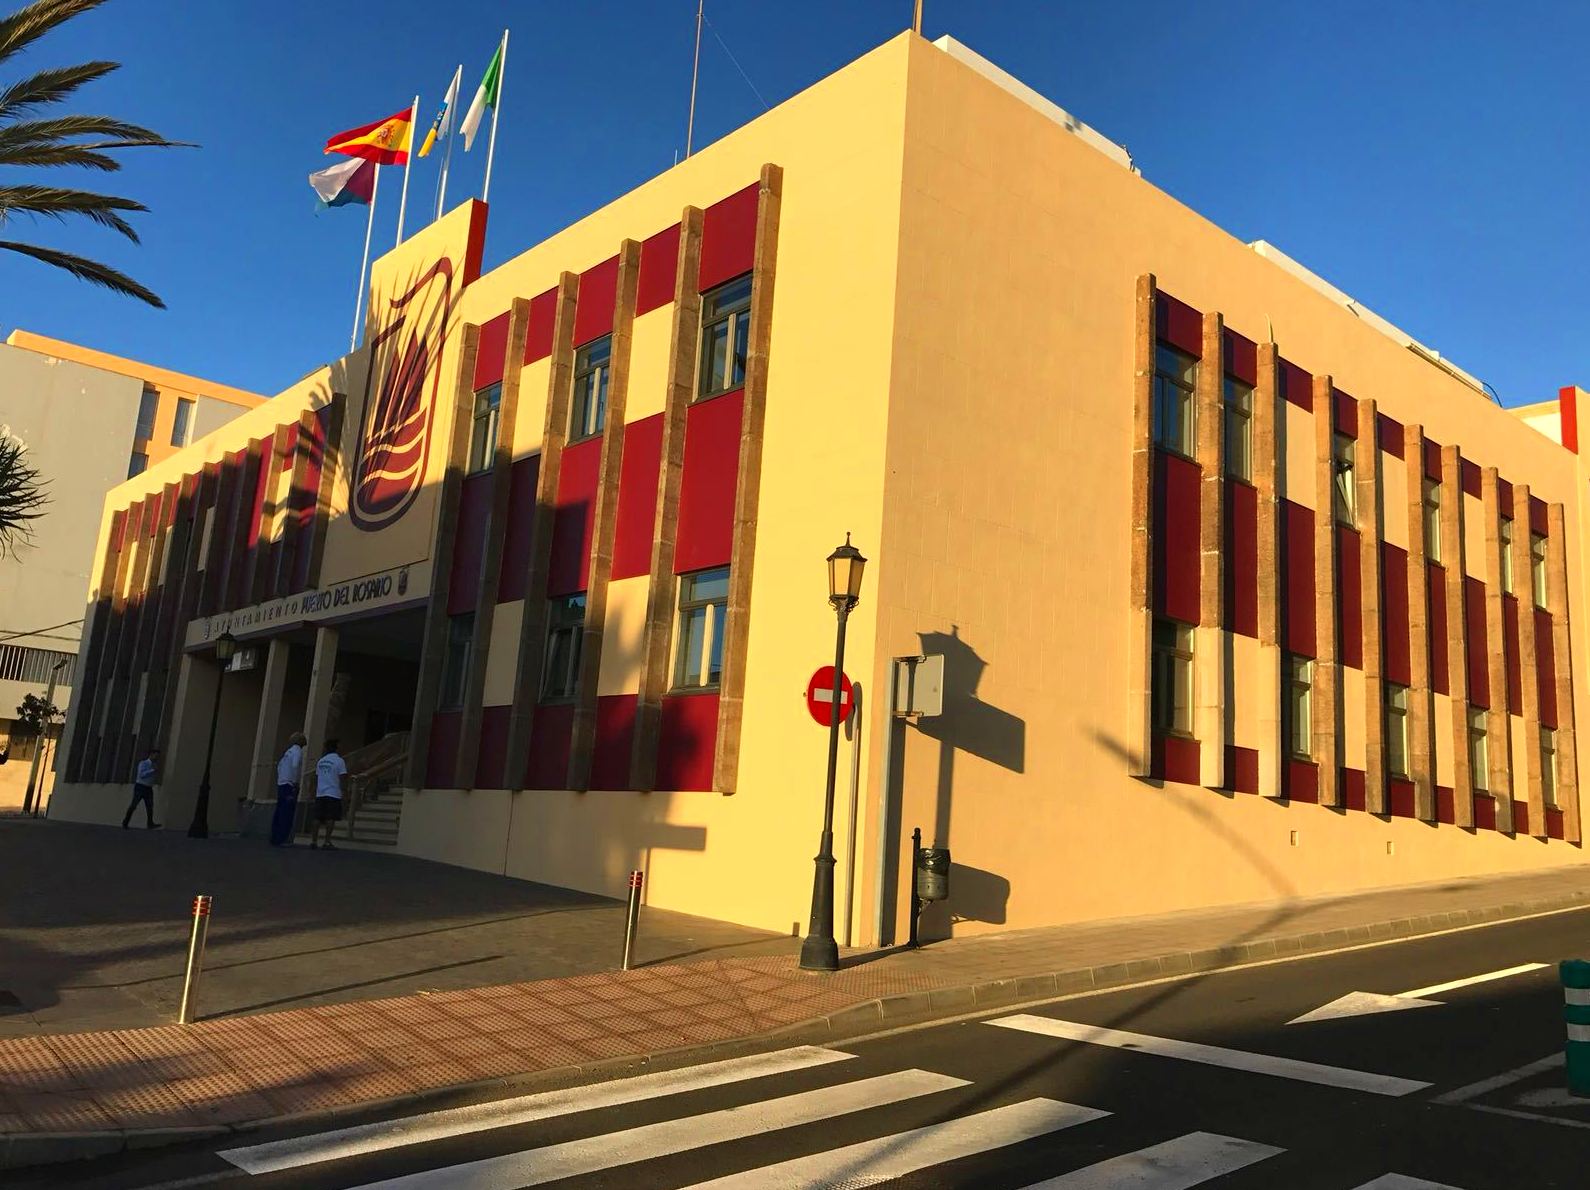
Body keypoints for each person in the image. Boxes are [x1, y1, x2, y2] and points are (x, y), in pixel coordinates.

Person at [270, 732, 307, 847]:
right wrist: (295, 781)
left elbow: (280, 766)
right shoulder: (298, 752)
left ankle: (275, 837)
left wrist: (281, 779)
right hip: (290, 785)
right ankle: (283, 838)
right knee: (287, 812)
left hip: (282, 783)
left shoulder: (288, 752)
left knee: (280, 811)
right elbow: (295, 766)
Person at [309, 739, 348, 850]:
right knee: (331, 817)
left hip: (320, 792)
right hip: (333, 792)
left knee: (317, 817)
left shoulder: (321, 761)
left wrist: (313, 791)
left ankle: (314, 841)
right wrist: (344, 791)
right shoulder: (339, 761)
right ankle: (327, 841)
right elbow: (343, 777)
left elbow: (316, 777)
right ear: (336, 747)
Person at [122, 747, 161, 829]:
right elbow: (141, 775)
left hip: (149, 787)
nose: (157, 758)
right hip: (140, 786)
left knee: (150, 806)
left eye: (158, 756)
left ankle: (150, 823)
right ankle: (125, 822)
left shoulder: (155, 765)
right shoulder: (143, 763)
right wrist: (152, 770)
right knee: (134, 804)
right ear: (151, 755)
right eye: (156, 755)